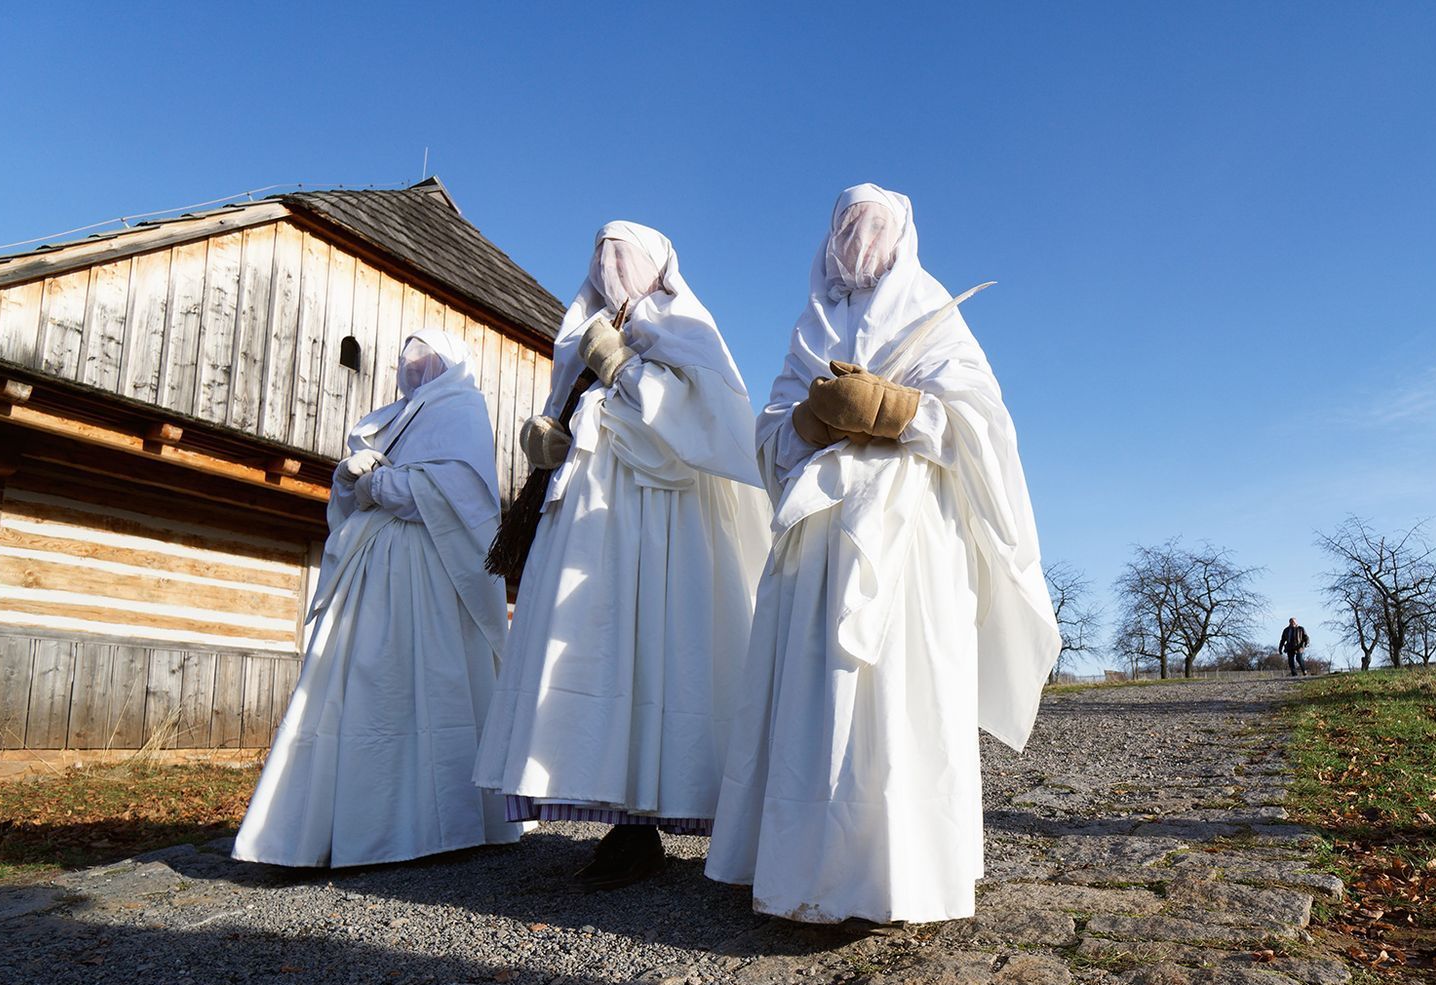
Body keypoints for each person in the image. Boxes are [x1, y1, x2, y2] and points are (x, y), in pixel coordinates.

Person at [704, 184, 1061, 924]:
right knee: (813, 690)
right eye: (845, 224)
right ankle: (803, 871)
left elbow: (983, 429)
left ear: (904, 237)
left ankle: (897, 875)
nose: (857, 238)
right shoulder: (812, 326)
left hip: (907, 532)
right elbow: (768, 439)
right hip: (816, 537)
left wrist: (899, 412)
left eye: (874, 226)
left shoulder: (935, 316)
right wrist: (808, 419)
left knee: (898, 688)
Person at [472, 222, 770, 888]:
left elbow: (709, 427)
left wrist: (625, 366)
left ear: (658, 267)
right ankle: (624, 821)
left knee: (662, 647)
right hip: (588, 520)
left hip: (665, 518)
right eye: (599, 255)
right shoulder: (579, 331)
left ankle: (672, 808)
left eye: (623, 255)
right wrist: (547, 436)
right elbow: (572, 409)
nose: (610, 265)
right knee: (599, 648)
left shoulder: (688, 328)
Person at [234, 330, 523, 866]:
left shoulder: (463, 411)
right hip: (373, 577)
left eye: (427, 363)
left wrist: (381, 487)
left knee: (434, 685)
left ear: (453, 366)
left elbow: (454, 499)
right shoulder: (390, 421)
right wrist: (351, 477)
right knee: (368, 686)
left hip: (433, 579)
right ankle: (362, 825)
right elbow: (351, 498)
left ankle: (449, 825)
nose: (416, 374)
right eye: (408, 365)